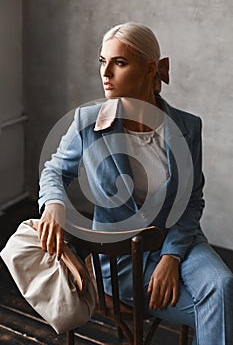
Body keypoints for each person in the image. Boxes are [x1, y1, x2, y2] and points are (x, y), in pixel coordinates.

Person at [38, 22, 233, 344]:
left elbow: (191, 199)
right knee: (216, 307)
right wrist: (54, 205)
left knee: (222, 286)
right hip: (121, 259)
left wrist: (171, 257)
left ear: (150, 68)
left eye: (119, 62)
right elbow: (55, 170)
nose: (106, 73)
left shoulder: (187, 126)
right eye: (103, 61)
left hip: (181, 242)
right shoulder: (87, 122)